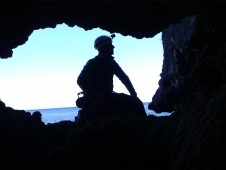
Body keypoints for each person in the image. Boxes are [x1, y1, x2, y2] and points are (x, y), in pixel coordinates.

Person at [77, 34, 146, 118]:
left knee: (137, 103)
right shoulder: (92, 63)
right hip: (94, 99)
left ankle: (145, 123)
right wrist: (96, 96)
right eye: (110, 45)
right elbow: (80, 81)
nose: (113, 47)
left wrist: (133, 94)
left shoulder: (111, 62)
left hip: (108, 96)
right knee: (103, 110)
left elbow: (124, 78)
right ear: (103, 48)